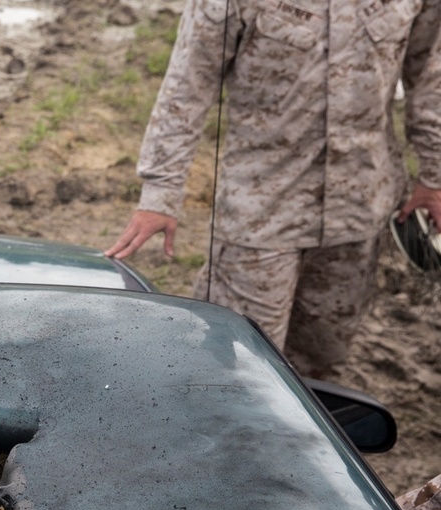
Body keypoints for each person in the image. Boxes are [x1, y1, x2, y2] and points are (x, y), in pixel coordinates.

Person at [104, 0, 441, 378]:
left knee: (320, 363)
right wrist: (161, 192)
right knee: (233, 363)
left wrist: (434, 176)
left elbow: (429, 74)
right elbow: (188, 81)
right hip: (259, 215)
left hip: (360, 212)